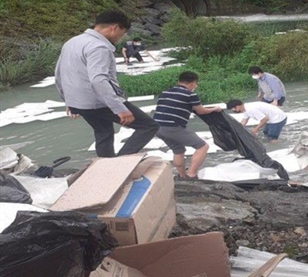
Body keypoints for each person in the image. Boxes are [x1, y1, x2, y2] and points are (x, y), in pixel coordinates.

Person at [55, 11, 159, 157]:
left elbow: (60, 73)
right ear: (115, 28)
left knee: (103, 132)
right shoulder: (99, 47)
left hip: (79, 103)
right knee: (149, 126)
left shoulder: (72, 42)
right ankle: (121, 163)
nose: (120, 38)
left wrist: (69, 101)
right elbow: (98, 79)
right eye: (122, 33)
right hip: (98, 102)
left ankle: (107, 168)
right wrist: (119, 108)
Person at [154, 71, 222, 179]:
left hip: (157, 128)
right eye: (195, 84)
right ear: (193, 83)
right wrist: (215, 109)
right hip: (172, 127)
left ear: (179, 81)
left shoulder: (165, 92)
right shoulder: (190, 94)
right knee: (202, 146)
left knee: (178, 150)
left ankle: (182, 176)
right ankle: (191, 174)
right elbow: (201, 111)